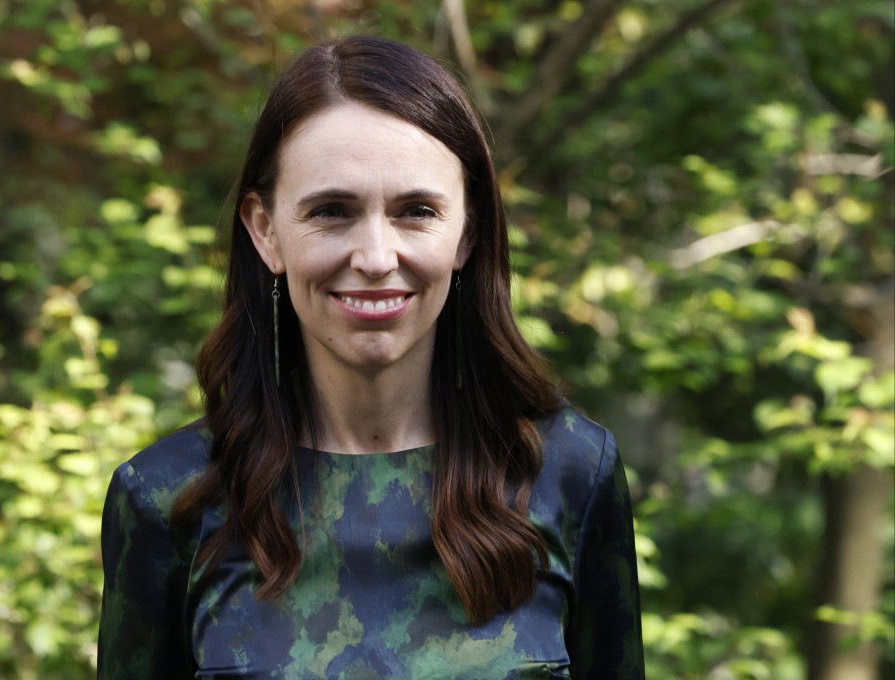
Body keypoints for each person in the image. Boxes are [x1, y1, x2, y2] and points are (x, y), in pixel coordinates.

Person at [98, 35, 644, 679]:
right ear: (265, 230)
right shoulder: (169, 498)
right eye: (332, 211)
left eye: (417, 211)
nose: (377, 258)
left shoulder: (568, 472)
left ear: (467, 231)